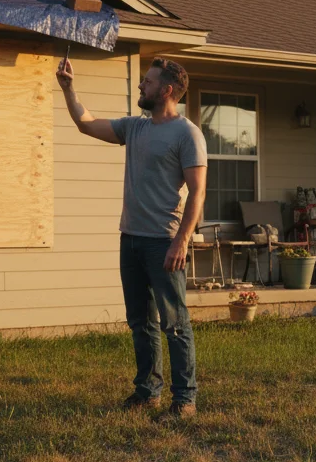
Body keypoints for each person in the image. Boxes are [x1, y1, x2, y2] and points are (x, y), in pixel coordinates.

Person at [56, 54, 207, 420]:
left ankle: (184, 400)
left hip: (163, 242)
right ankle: (147, 392)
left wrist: (181, 241)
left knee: (174, 322)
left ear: (167, 90)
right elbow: (86, 123)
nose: (141, 85)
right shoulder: (135, 127)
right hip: (131, 239)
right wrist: (68, 88)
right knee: (141, 321)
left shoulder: (187, 134)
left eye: (149, 82)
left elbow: (198, 193)